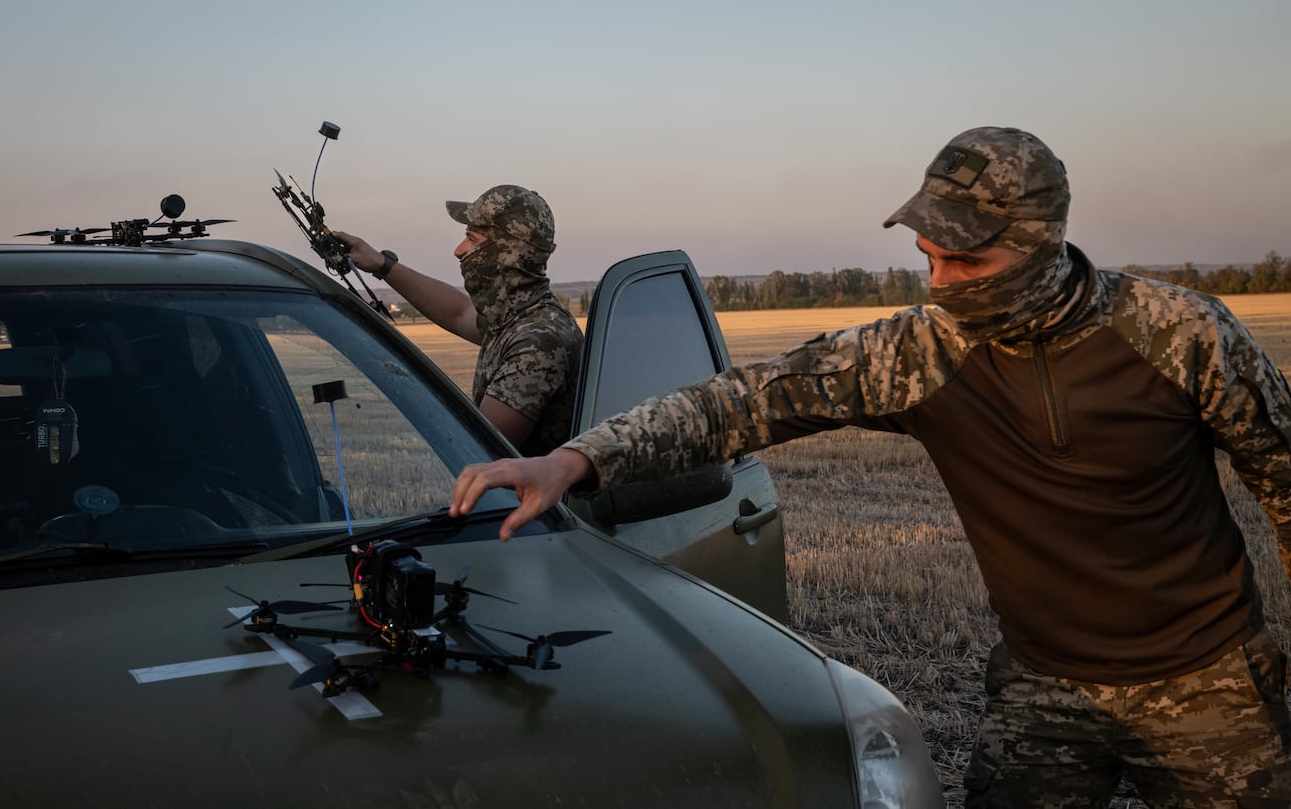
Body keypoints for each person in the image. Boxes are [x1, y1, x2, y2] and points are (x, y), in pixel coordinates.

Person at [449, 127, 1291, 806]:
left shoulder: (1183, 335)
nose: (940, 282)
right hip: (1045, 687)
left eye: (966, 261)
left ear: (1039, 242)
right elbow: (740, 402)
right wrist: (578, 458)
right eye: (929, 257)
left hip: (1212, 685)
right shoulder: (923, 353)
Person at [333, 185, 583, 456]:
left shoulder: (538, 340)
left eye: (472, 239)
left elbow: (479, 451)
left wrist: (400, 382)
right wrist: (382, 264)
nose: (458, 250)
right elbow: (459, 311)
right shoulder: (521, 315)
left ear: (506, 252)